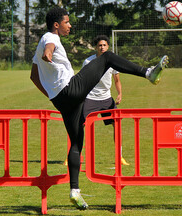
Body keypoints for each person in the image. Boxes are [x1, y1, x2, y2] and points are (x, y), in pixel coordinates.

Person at [30, 7, 168, 210]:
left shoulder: (40, 44)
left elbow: (33, 76)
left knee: (76, 143)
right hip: (71, 89)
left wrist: (52, 97)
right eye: (67, 22)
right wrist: (48, 55)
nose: (70, 25)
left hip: (61, 99)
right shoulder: (51, 37)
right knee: (107, 58)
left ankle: (74, 191)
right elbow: (49, 49)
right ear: (57, 25)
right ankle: (148, 73)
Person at [82, 35, 129, 166]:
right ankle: (73, 155)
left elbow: (117, 80)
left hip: (106, 99)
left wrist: (119, 93)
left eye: (104, 45)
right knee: (78, 125)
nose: (102, 47)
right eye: (99, 45)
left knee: (117, 125)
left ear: (108, 46)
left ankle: (119, 156)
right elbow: (83, 80)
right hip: (90, 98)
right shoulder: (88, 62)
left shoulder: (112, 62)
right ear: (96, 47)